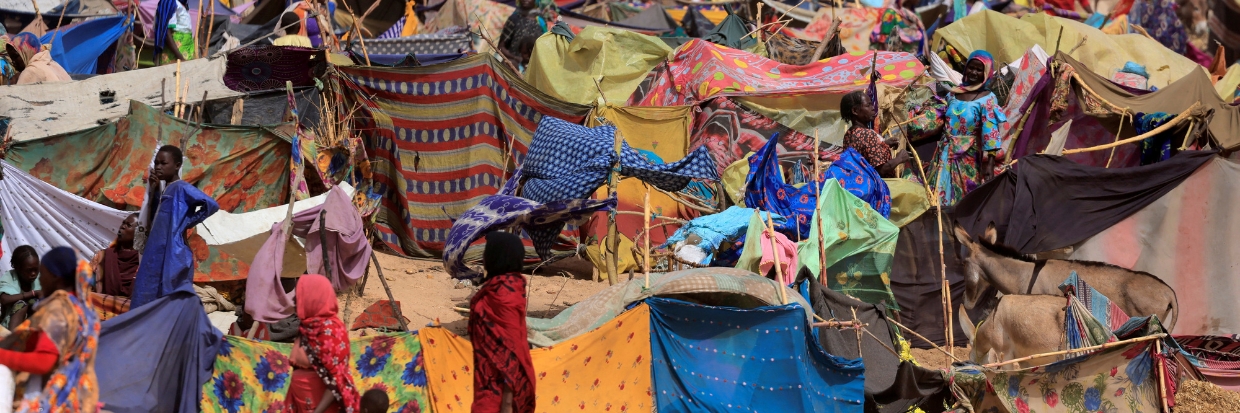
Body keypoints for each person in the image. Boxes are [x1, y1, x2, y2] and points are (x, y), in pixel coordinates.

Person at [0, 246, 101, 413]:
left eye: (43, 273)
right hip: (80, 392)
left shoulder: (58, 310)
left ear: (55, 278)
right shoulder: (83, 305)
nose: (39, 279)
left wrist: (2, 356)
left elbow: (44, 362)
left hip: (55, 397)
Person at [130, 145, 220, 309]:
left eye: (163, 163)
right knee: (146, 292)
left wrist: (187, 222)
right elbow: (153, 220)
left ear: (177, 165)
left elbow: (211, 205)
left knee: (169, 296)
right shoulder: (165, 190)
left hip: (171, 251)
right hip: (155, 251)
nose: (158, 167)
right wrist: (154, 192)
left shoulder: (181, 187)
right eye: (156, 163)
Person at [922, 50, 1008, 206]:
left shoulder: (987, 99)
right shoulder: (953, 94)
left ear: (986, 72)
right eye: (971, 67)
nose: (974, 72)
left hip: (968, 156)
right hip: (944, 154)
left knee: (965, 197)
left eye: (979, 69)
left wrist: (989, 164)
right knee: (937, 195)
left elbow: (991, 132)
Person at [469, 231, 535, 413]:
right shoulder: (503, 288)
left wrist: (507, 403)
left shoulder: (504, 296)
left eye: (487, 252)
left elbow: (512, 352)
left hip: (501, 397)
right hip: (488, 383)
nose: (483, 257)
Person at [286, 274, 359, 413]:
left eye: (300, 295)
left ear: (313, 297)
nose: (295, 300)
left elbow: (337, 379)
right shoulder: (306, 327)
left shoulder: (331, 330)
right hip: (301, 404)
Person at [840, 91, 910, 178]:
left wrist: (883, 145)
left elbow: (864, 154)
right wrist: (899, 158)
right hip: (877, 187)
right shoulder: (868, 134)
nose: (873, 108)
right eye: (868, 105)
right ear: (855, 111)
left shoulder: (849, 134)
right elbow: (880, 170)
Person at [91, 213, 140, 298]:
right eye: (123, 223)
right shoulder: (103, 256)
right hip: (99, 308)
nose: (123, 226)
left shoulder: (144, 263)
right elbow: (84, 283)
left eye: (128, 225)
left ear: (140, 233)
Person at [497, 0, 548, 69]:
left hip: (533, 65)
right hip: (513, 64)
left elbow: (544, 46)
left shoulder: (540, 22)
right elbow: (501, 47)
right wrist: (515, 58)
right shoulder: (514, 19)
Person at [0, 246, 40, 329]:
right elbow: (4, 299)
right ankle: (12, 339)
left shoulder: (41, 278)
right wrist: (33, 293)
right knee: (21, 304)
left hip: (32, 323)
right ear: (18, 268)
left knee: (36, 303)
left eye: (36, 270)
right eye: (29, 270)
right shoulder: (9, 276)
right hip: (9, 323)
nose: (33, 274)